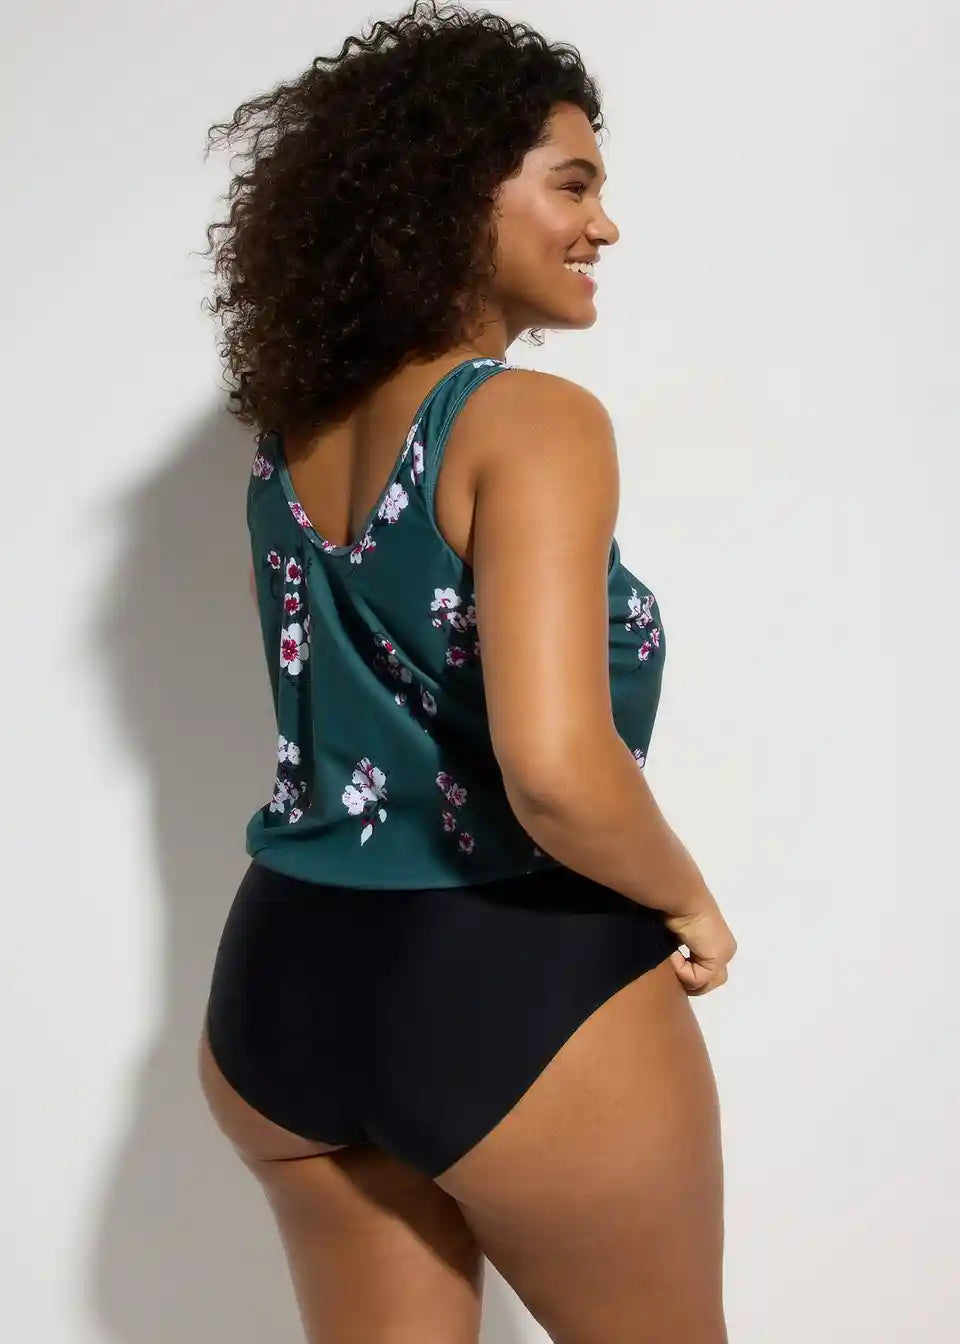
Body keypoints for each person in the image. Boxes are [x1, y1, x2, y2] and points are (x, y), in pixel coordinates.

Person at [197, 3, 737, 1340]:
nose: (603, 225)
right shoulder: (529, 422)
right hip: (509, 981)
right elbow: (552, 770)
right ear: (452, 197)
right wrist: (689, 899)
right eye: (572, 185)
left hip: (281, 988)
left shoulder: (292, 433)